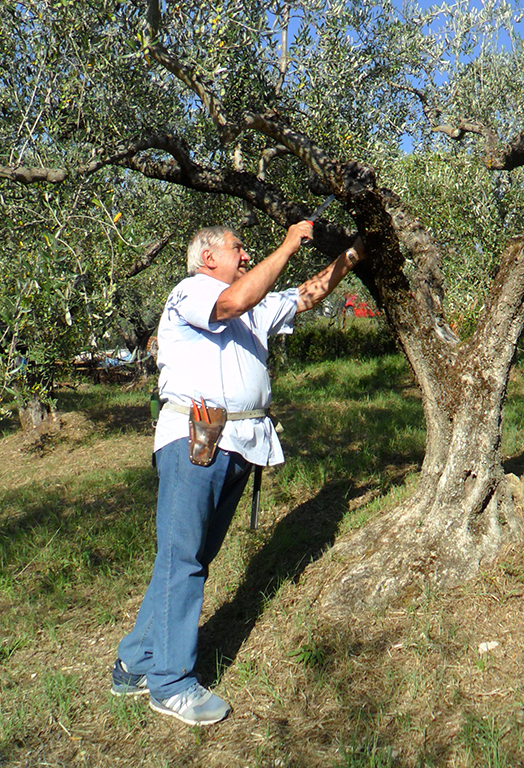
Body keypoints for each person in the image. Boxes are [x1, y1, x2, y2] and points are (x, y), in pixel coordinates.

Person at [110, 220, 364, 726]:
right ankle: (171, 684)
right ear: (208, 258)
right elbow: (233, 304)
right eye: (237, 248)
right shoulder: (192, 293)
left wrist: (355, 255)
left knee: (188, 557)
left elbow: (308, 296)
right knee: (184, 558)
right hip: (194, 442)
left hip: (236, 445)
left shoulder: (254, 304)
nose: (245, 256)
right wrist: (291, 241)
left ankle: (134, 663)